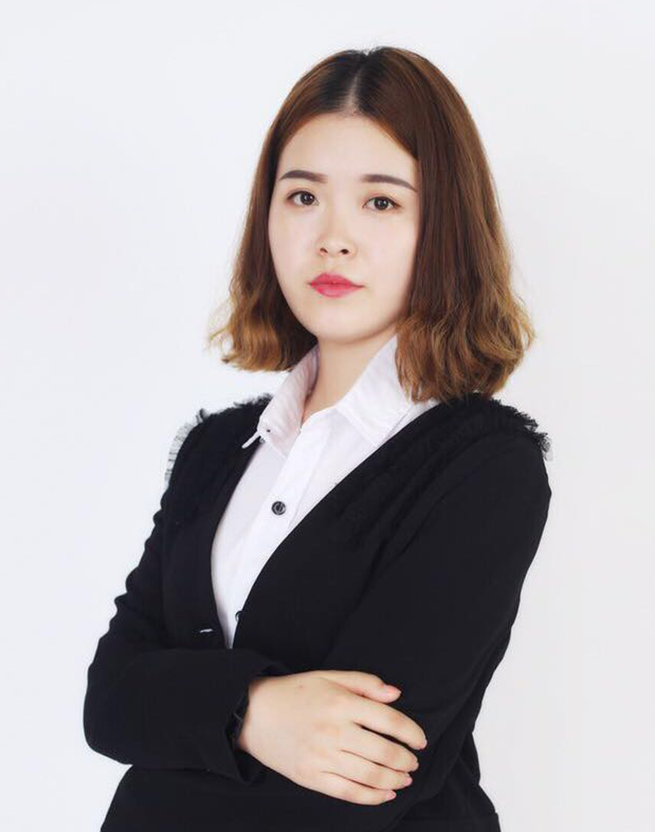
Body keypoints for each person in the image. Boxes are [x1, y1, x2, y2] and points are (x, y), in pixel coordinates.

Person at [83, 45, 553, 832]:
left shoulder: (483, 467)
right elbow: (108, 703)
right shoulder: (216, 452)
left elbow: (371, 773)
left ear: (444, 228)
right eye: (303, 196)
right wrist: (254, 713)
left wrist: (185, 721)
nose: (333, 238)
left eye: (381, 202)